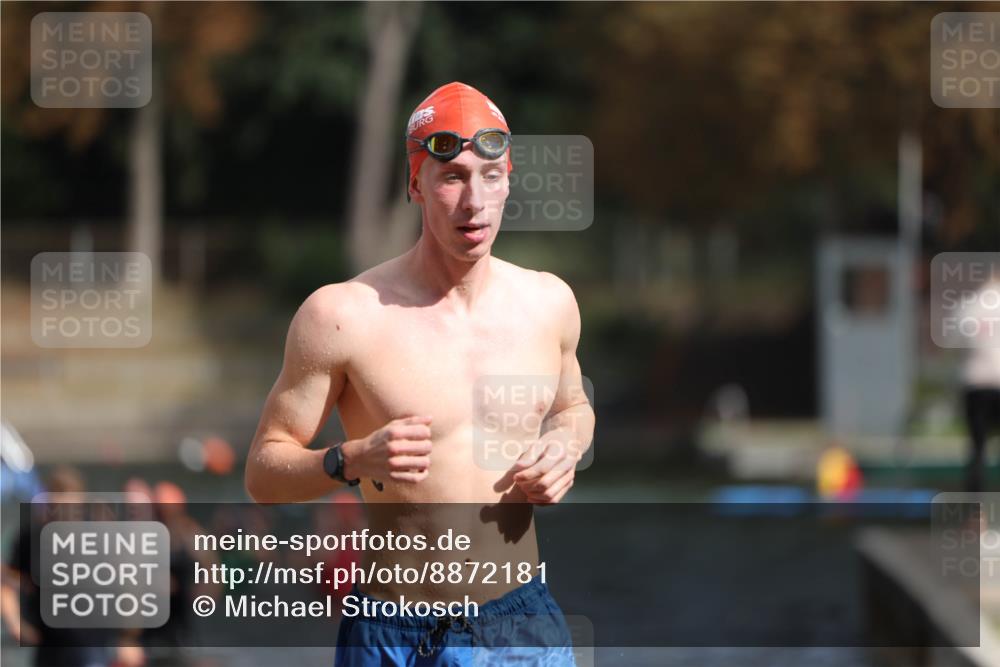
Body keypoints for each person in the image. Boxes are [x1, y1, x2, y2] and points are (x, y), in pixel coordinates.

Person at [245, 81, 594, 665]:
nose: (473, 201)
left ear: (509, 180)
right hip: (392, 633)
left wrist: (565, 447)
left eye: (489, 175)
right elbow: (262, 473)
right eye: (452, 176)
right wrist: (350, 461)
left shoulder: (548, 303)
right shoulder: (342, 316)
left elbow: (572, 408)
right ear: (416, 185)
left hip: (518, 625)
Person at [1, 467, 143, 667]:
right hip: (48, 644)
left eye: (68, 495)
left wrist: (128, 638)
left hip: (93, 645)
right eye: (56, 494)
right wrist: (16, 624)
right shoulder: (32, 538)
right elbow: (8, 583)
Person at [961, 276, 1000, 493]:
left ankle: (976, 514)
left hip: (975, 384)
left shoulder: (969, 307)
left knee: (977, 449)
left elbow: (955, 343)